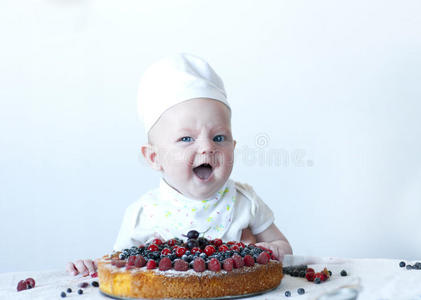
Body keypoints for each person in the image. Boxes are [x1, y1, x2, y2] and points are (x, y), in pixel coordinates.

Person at [67, 53, 292, 276]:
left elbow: (283, 246)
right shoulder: (144, 213)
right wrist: (93, 266)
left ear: (233, 147)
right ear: (154, 158)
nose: (207, 147)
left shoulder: (245, 202)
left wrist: (273, 250)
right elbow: (118, 266)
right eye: (186, 139)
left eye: (219, 138)